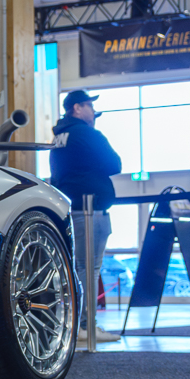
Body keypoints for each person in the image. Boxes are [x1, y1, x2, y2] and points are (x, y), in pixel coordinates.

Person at [50, 90, 123, 344]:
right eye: (90, 106)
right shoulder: (87, 134)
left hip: (69, 210)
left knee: (75, 268)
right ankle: (86, 326)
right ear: (77, 108)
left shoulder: (59, 136)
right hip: (90, 210)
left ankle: (74, 324)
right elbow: (115, 164)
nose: (94, 112)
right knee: (89, 270)